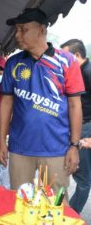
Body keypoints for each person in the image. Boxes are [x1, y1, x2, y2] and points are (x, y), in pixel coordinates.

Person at [0, 8, 84, 195]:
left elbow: (75, 105)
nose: (17, 35)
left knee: (58, 204)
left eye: (23, 29)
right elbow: (6, 102)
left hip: (56, 149)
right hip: (20, 148)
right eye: (17, 30)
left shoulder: (67, 61)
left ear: (42, 30)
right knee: (19, 203)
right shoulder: (13, 63)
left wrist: (74, 146)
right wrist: (2, 141)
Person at [60, 39, 91, 213]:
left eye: (66, 56)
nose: (63, 61)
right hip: (77, 127)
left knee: (82, 176)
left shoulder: (88, 72)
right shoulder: (78, 72)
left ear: (77, 55)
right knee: (66, 169)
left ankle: (72, 214)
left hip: (86, 127)